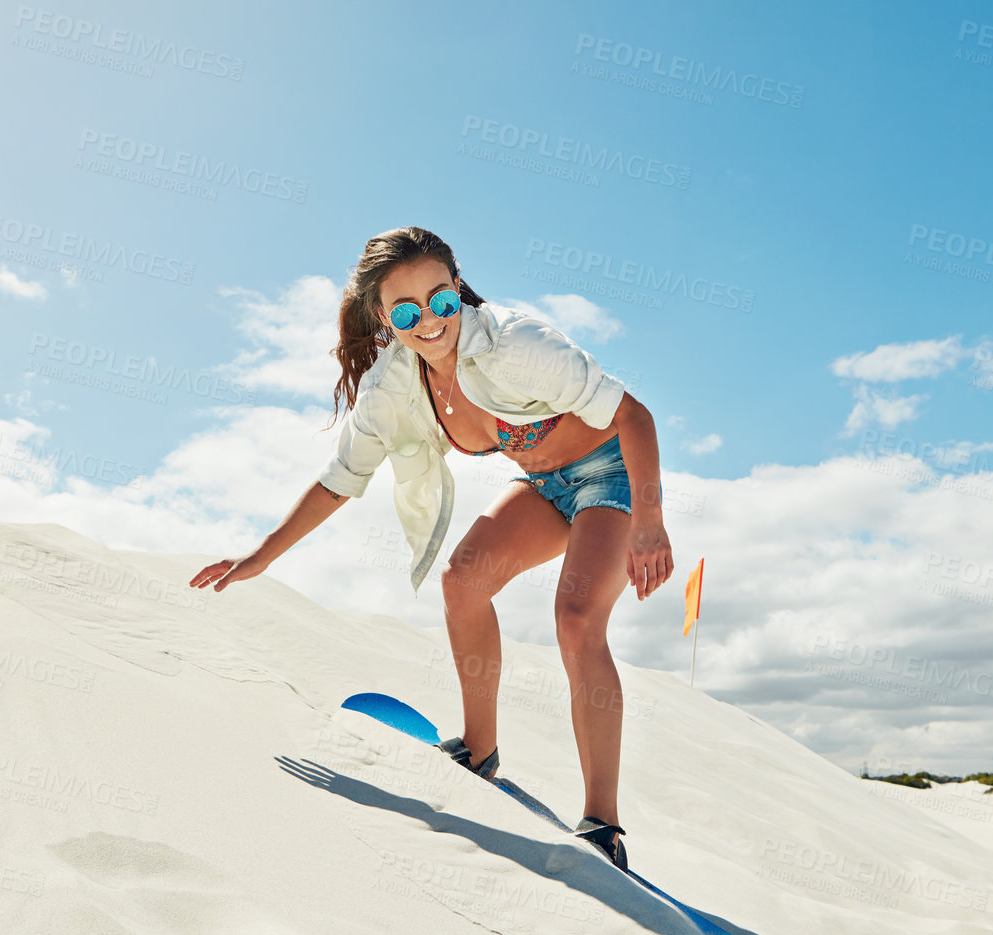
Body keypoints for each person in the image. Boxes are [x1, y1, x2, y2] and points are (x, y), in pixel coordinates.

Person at [190, 226, 674, 869]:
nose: (429, 320)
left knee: (577, 619)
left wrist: (649, 520)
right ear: (383, 318)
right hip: (544, 484)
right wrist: (263, 554)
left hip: (613, 473)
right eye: (406, 310)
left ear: (458, 290)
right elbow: (341, 481)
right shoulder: (393, 383)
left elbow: (633, 415)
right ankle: (480, 749)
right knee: (463, 581)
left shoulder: (514, 341)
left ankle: (603, 826)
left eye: (441, 299)